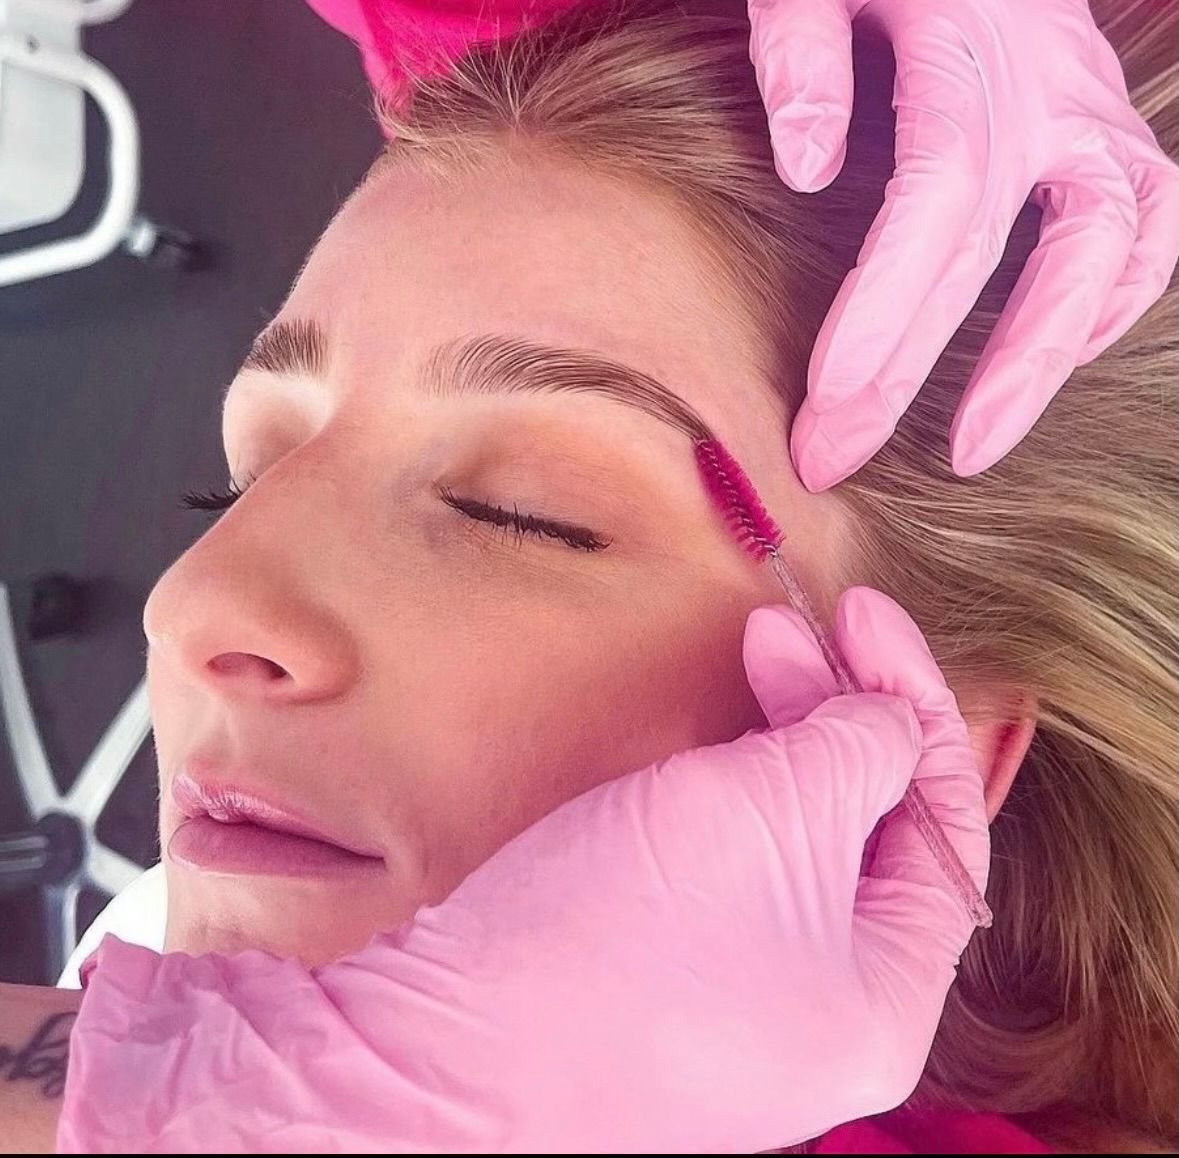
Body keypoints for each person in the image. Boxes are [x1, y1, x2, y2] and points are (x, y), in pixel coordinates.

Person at [0, 0, 1173, 1151]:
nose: (190, 605)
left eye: (521, 517)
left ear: (934, 773)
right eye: (247, 475)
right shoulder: (138, 976)